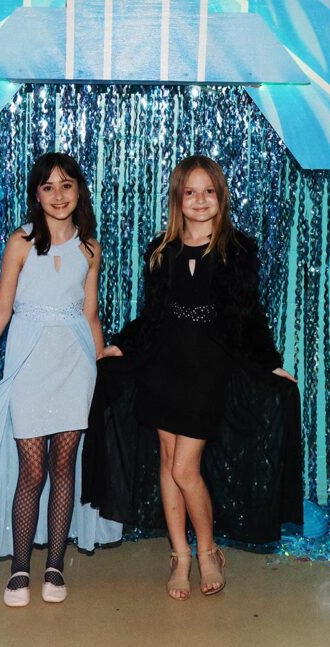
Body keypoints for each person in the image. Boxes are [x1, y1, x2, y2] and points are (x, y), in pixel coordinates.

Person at [82, 155, 302, 601]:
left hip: (207, 369)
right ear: (177, 199)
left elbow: (248, 316)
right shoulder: (160, 251)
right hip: (162, 367)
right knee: (168, 463)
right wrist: (123, 344)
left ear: (221, 197)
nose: (200, 201)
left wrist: (269, 363)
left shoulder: (238, 250)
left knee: (186, 467)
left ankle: (207, 550)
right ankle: (180, 555)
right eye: (190, 192)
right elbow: (153, 315)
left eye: (209, 192)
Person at [0, 152, 104, 606]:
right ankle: (19, 568)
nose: (59, 195)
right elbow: (1, 309)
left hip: (75, 363)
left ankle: (54, 566)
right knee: (32, 471)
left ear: (79, 191)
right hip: (29, 360)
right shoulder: (20, 241)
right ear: (36, 194)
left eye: (67, 185)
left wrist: (103, 365)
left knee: (64, 467)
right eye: (48, 187)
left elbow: (90, 314)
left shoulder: (90, 249)